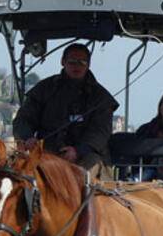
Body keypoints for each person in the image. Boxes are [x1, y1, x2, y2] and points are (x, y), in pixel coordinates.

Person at [13, 43, 119, 176]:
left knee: (87, 169)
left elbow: (100, 132)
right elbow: (23, 119)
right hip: (47, 154)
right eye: (72, 62)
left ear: (88, 65)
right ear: (63, 62)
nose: (77, 66)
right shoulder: (44, 89)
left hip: (86, 157)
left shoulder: (101, 97)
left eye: (82, 62)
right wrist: (27, 137)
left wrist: (77, 151)